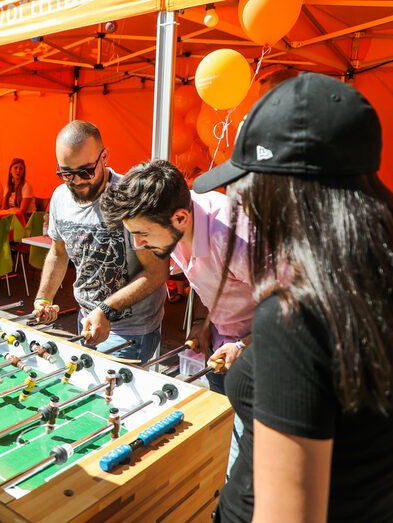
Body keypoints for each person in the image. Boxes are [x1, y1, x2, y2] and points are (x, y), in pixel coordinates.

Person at [192, 73, 393, 521]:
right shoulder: (370, 277)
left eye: (246, 187)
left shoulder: (298, 317)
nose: (240, 204)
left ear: (281, 192)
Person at [100, 159, 256, 478]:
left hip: (267, 350)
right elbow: (213, 279)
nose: (138, 245)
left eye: (143, 235)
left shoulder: (234, 237)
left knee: (245, 462)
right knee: (220, 440)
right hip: (225, 341)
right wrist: (205, 321)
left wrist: (243, 345)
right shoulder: (175, 220)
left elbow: (292, 305)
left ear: (181, 218)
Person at [33, 120, 168, 363]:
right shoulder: (59, 197)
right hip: (86, 318)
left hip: (130, 329)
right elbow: (58, 252)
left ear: (104, 156)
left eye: (86, 171)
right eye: (66, 173)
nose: (76, 181)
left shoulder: (131, 197)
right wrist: (44, 299)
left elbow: (157, 271)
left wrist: (105, 310)